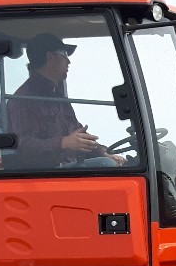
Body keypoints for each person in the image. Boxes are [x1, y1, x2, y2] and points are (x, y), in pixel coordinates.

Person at [8, 33, 123, 169]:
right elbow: (23, 145)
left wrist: (105, 152)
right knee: (106, 166)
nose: (69, 61)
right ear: (50, 56)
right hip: (46, 174)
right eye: (65, 54)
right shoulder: (24, 98)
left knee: (117, 162)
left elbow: (78, 136)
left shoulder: (58, 97)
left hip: (68, 168)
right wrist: (63, 143)